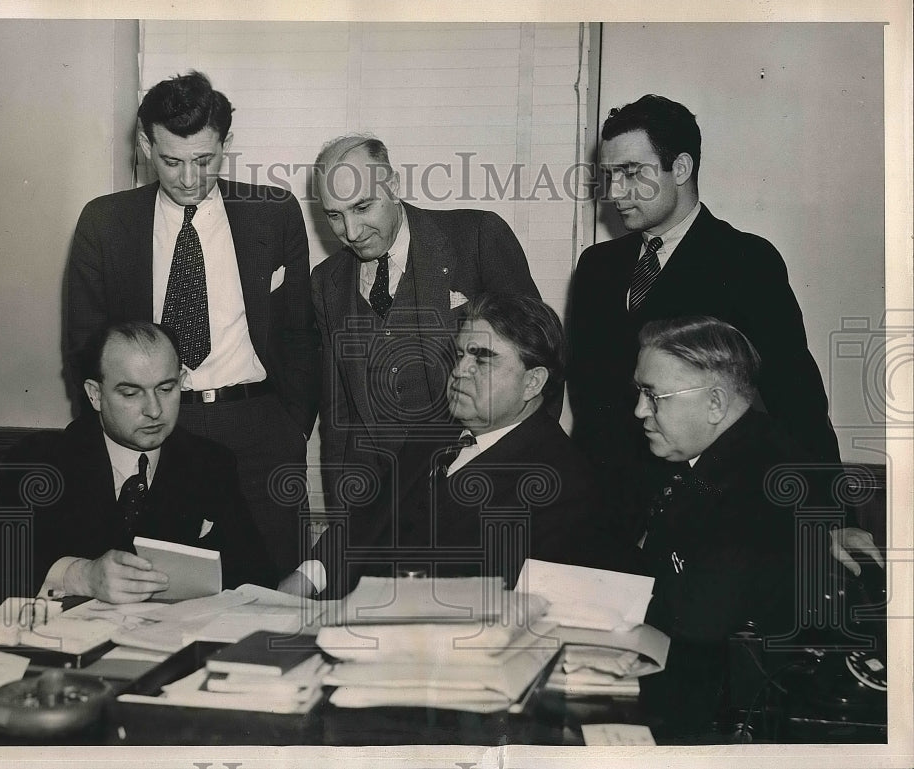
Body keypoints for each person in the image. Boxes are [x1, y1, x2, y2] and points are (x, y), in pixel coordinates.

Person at [565, 94, 880, 571]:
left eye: (631, 172)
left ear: (682, 167)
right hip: (602, 521)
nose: (615, 191)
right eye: (609, 175)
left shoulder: (746, 261)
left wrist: (828, 517)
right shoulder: (595, 267)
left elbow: (797, 397)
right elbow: (589, 402)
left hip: (701, 521)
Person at [66, 71, 319, 576]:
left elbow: (298, 334)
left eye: (204, 160)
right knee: (159, 590)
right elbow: (85, 347)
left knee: (275, 592)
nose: (188, 178)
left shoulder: (273, 212)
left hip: (260, 428)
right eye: (171, 161)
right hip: (159, 430)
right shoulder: (105, 222)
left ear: (226, 143)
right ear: (145, 144)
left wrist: (289, 427)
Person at [283, 294, 636, 599]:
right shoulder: (434, 436)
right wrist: (307, 576)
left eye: (482, 359)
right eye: (460, 355)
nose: (459, 370)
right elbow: (369, 521)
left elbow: (505, 603)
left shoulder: (562, 483)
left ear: (533, 382)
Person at [632, 316, 844, 739]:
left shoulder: (757, 488)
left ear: (714, 403)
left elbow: (695, 628)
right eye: (640, 392)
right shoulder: (738, 453)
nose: (639, 411)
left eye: (654, 396)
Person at [309, 135, 544, 513]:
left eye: (363, 207)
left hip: (477, 490)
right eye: (334, 215)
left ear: (394, 185)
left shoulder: (477, 237)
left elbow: (540, 361)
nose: (351, 232)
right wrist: (344, 516)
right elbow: (338, 418)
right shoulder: (326, 282)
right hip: (375, 501)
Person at [5, 322, 277, 604]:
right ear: (95, 394)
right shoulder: (40, 462)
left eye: (166, 389)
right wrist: (82, 576)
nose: (154, 410)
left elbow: (257, 576)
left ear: (182, 380)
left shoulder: (209, 463)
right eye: (131, 393)